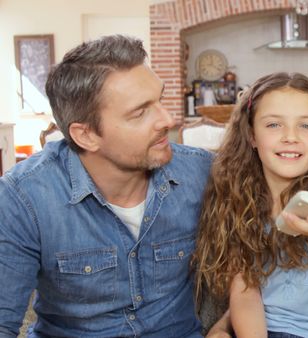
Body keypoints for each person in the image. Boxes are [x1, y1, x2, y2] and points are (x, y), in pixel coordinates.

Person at [0, 35, 213, 337]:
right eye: (140, 112)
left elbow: (256, 265)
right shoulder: (23, 198)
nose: (168, 119)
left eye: (160, 100)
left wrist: (224, 324)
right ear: (86, 135)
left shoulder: (202, 172)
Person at [192, 72, 308, 338]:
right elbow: (245, 295)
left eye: (306, 126)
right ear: (252, 136)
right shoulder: (238, 203)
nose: (291, 137)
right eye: (274, 125)